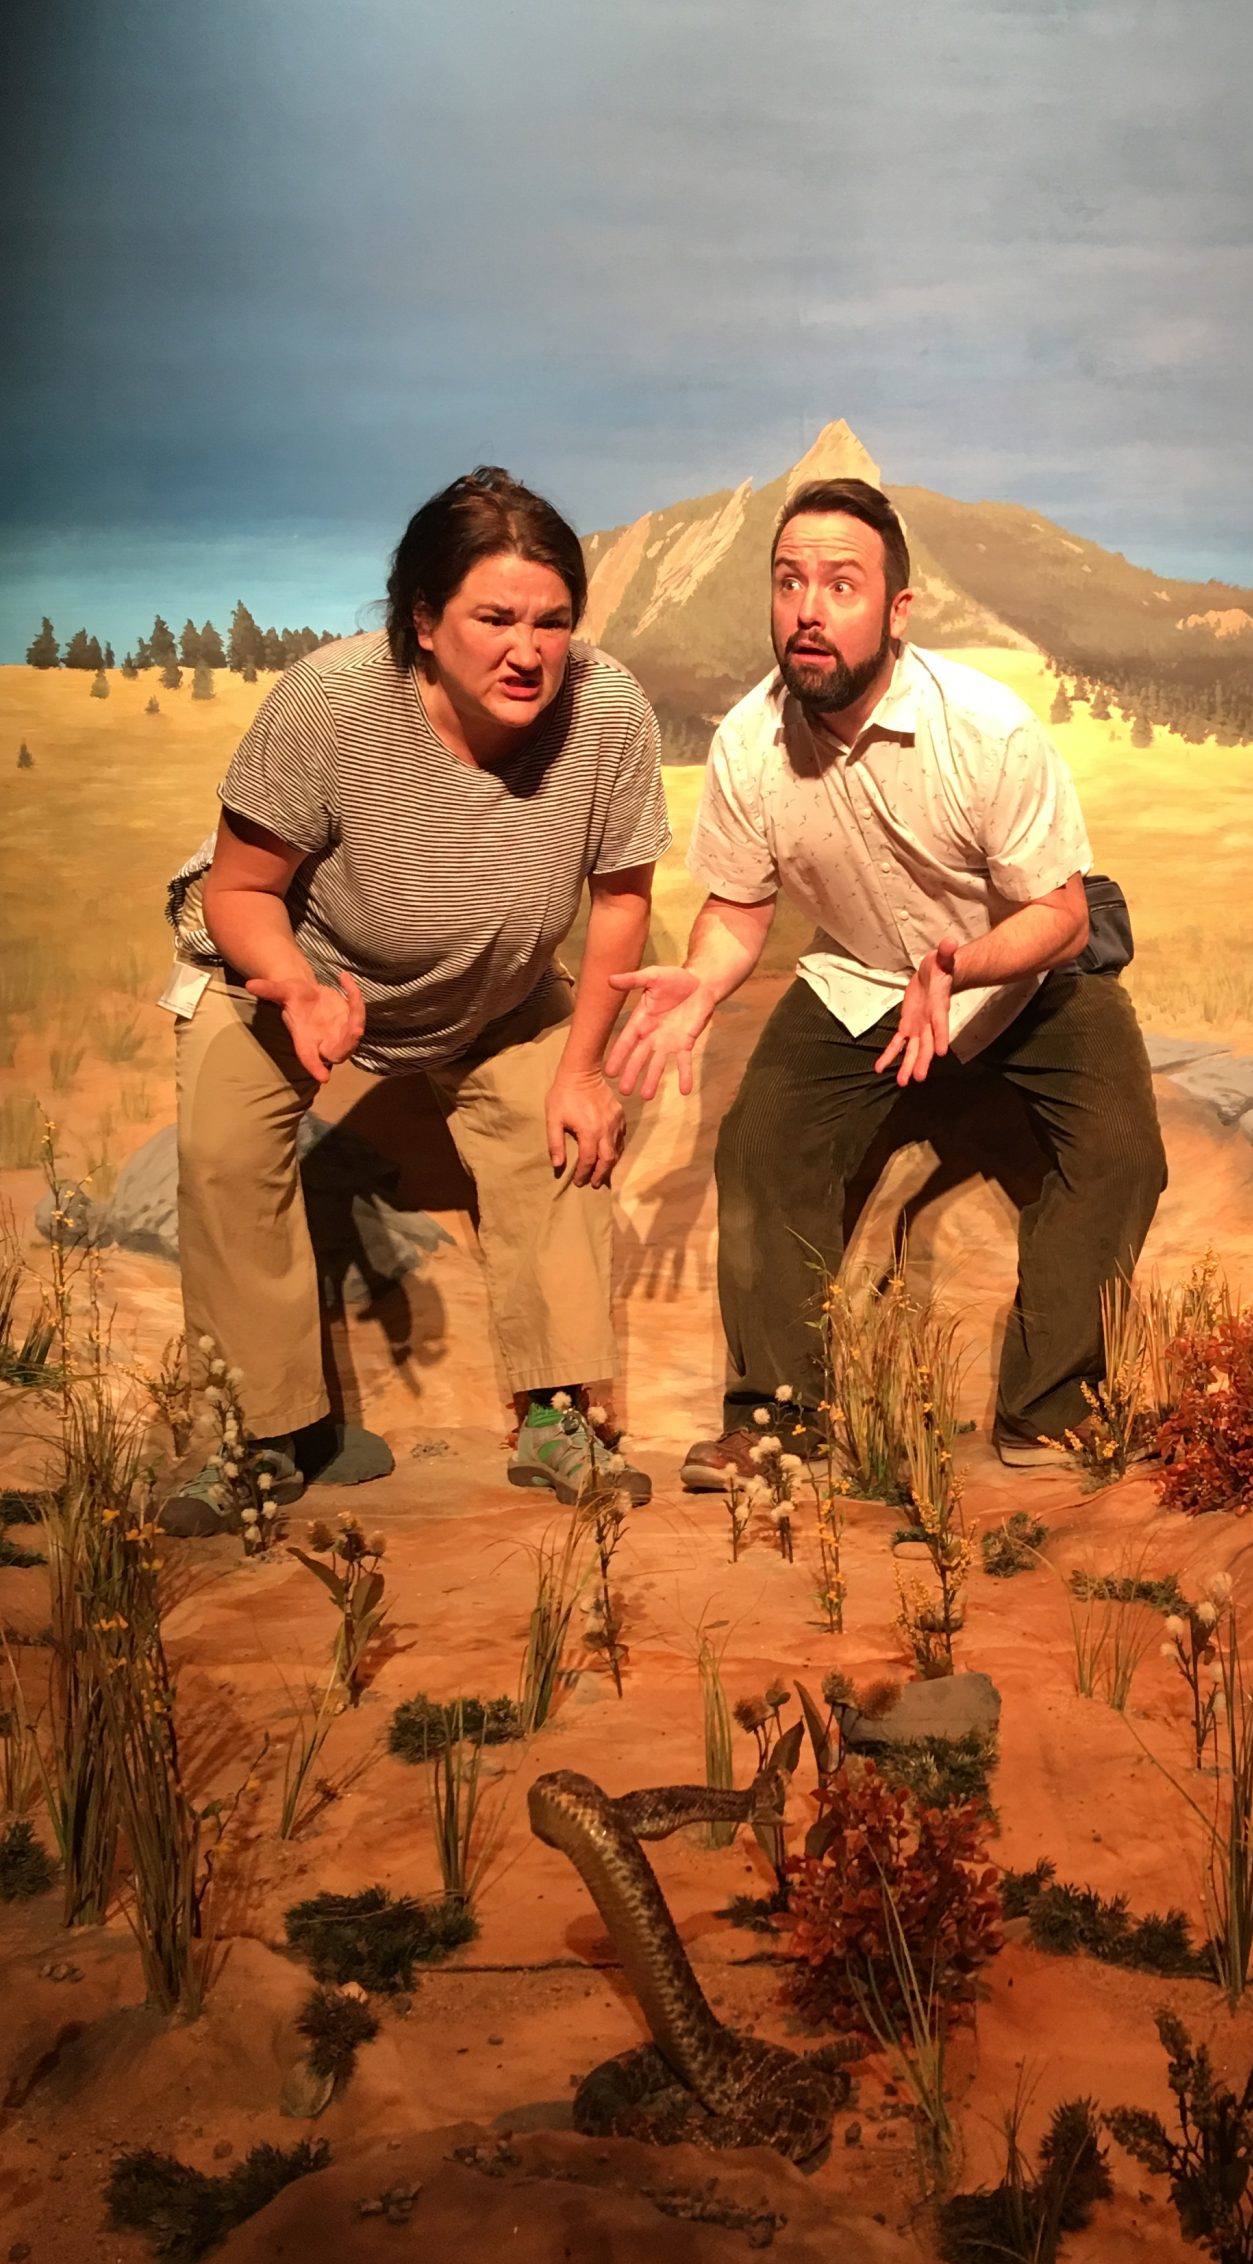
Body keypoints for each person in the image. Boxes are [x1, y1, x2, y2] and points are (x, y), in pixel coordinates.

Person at [603, 474, 1167, 1488]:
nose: (807, 610)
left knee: (1122, 1155)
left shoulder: (984, 728)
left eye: (840, 585)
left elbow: (1063, 916)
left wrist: (961, 965)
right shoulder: (748, 745)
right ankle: (780, 1424)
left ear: (897, 609)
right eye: (788, 582)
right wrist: (704, 979)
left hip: (1021, 969)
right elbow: (738, 909)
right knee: (761, 1147)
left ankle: (1046, 1409)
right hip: (863, 978)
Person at [158, 466, 668, 1534]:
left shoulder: (608, 709)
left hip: (494, 990)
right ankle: (259, 1437)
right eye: (495, 619)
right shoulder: (331, 702)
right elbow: (239, 891)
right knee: (223, 1149)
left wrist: (582, 1070)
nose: (528, 650)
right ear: (425, 622)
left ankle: (554, 1416)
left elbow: (622, 897)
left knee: (565, 1133)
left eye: (552, 621)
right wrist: (297, 990)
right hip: (292, 971)